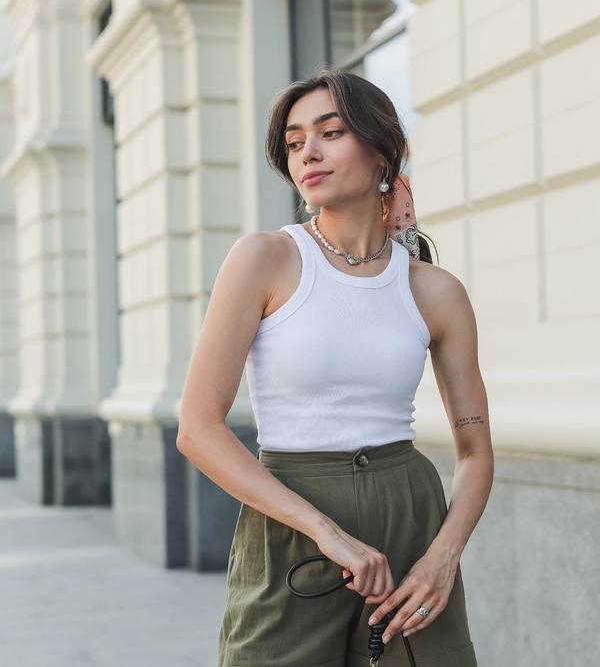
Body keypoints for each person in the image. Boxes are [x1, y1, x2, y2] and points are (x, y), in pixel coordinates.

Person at [176, 68, 493, 667]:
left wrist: (442, 558)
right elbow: (198, 429)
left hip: (410, 522)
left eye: (331, 132)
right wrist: (324, 530)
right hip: (293, 524)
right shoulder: (265, 258)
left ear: (382, 152)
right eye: (295, 142)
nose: (308, 153)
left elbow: (475, 450)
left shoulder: (434, 290)